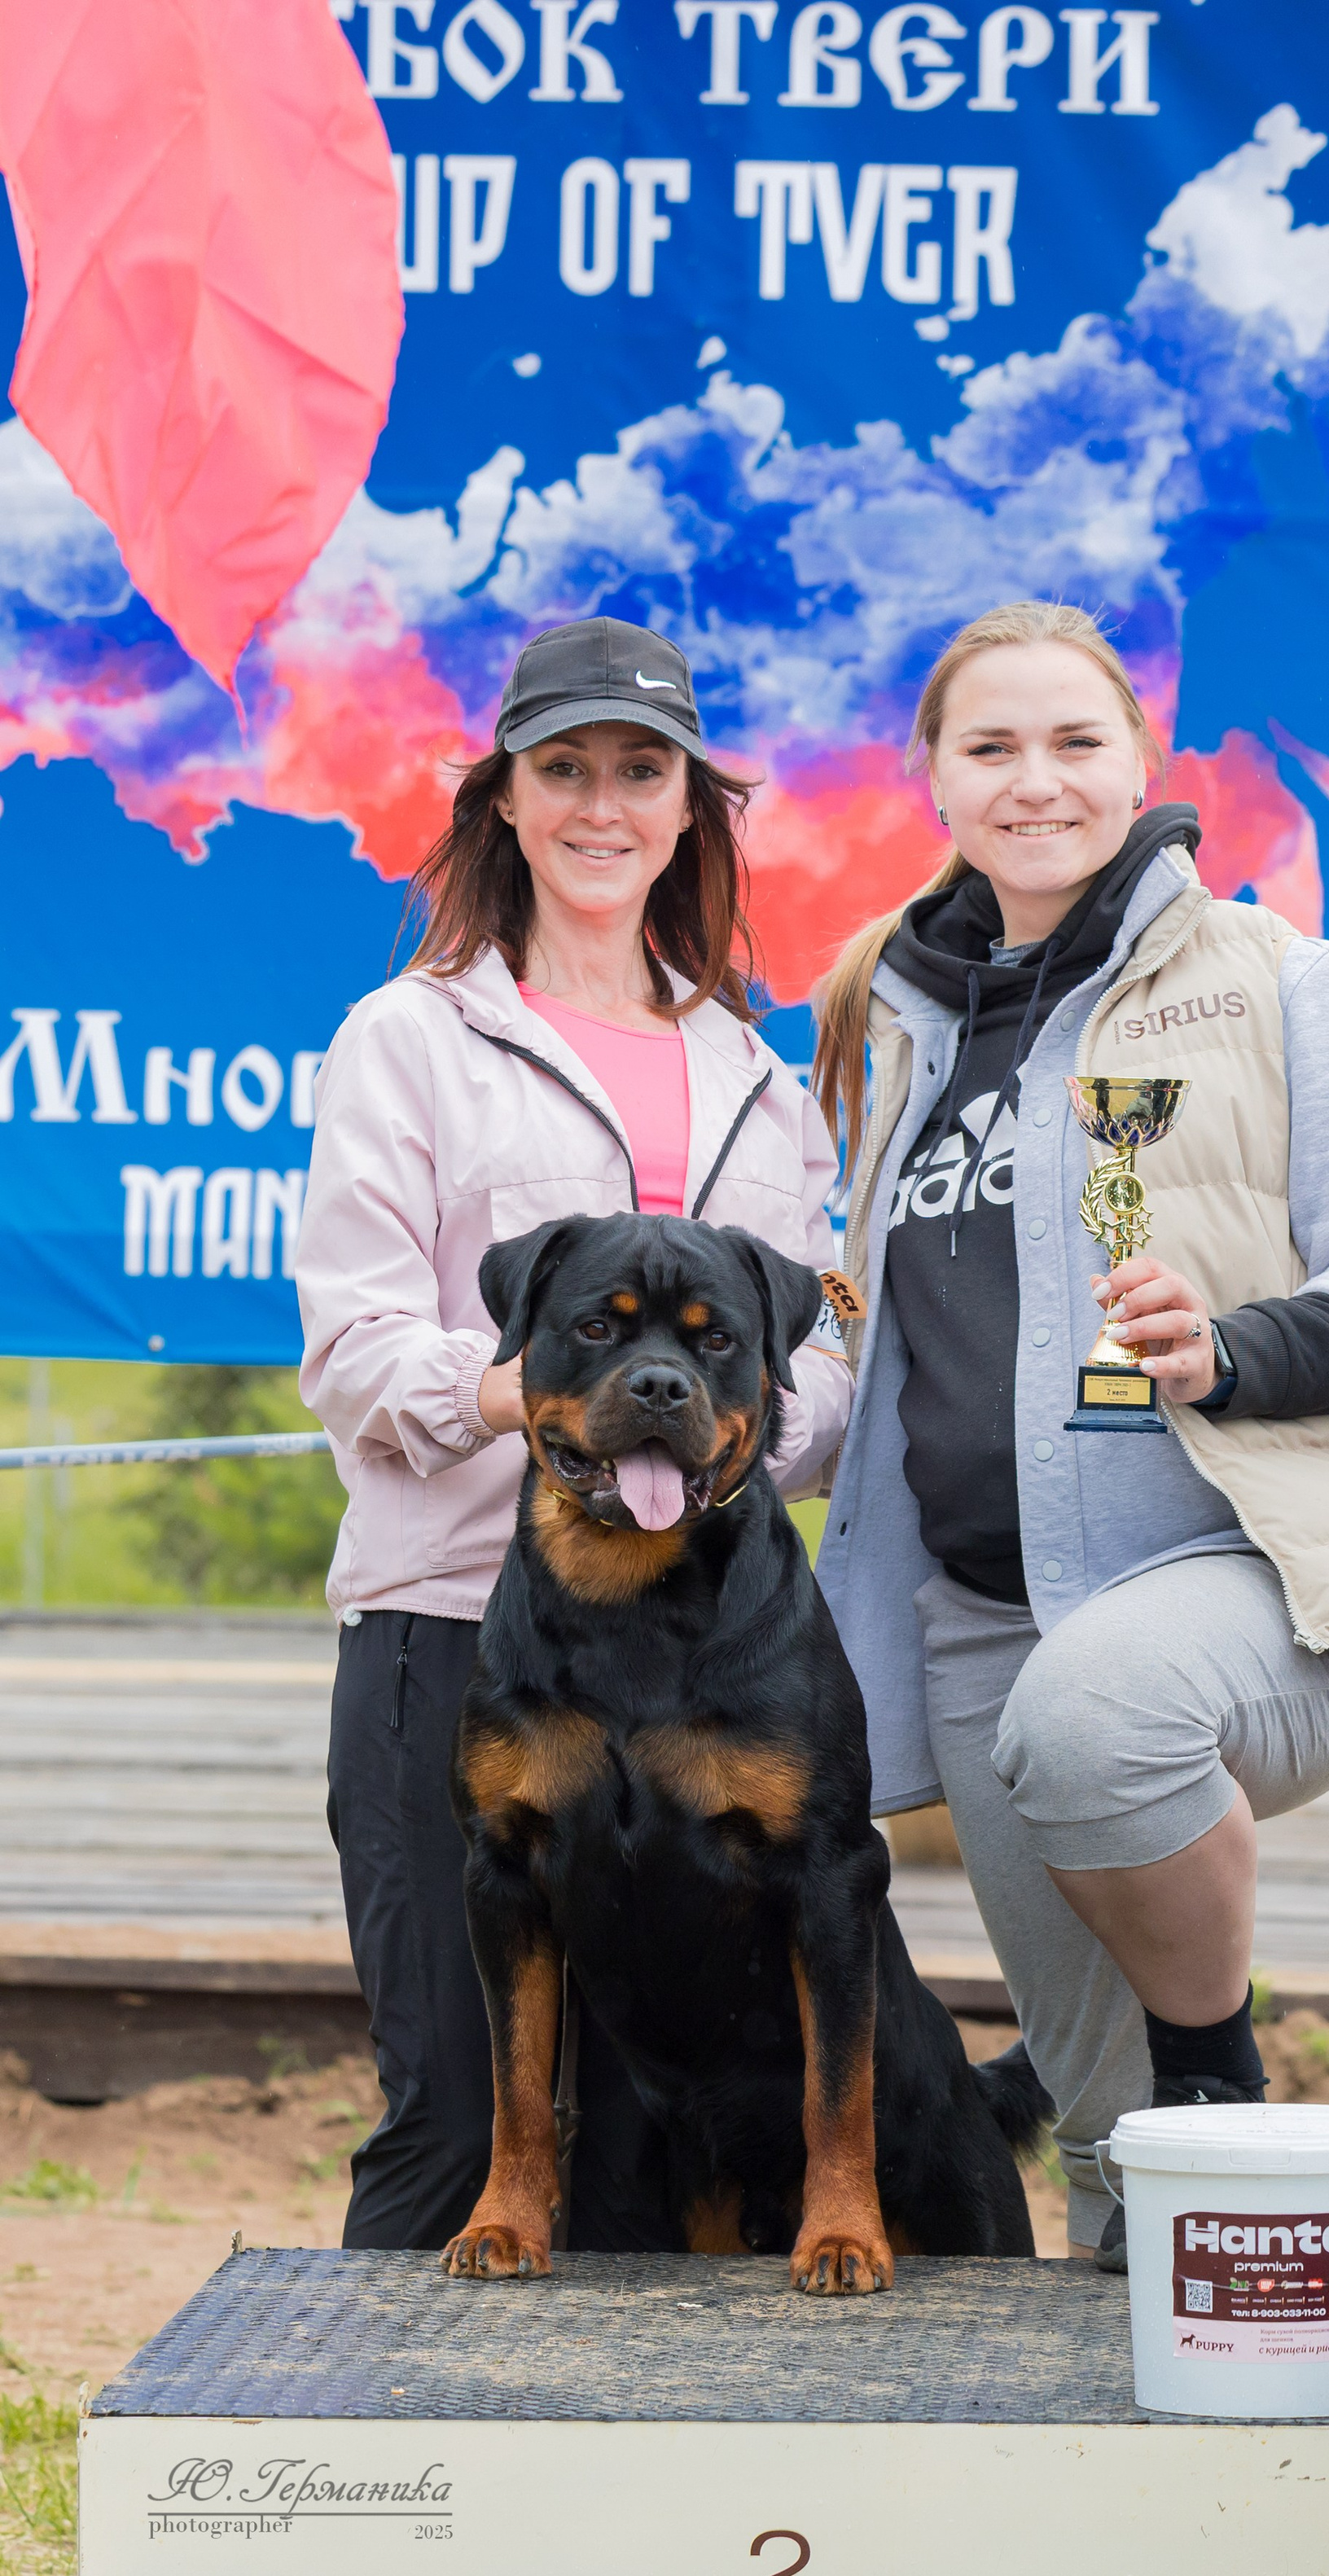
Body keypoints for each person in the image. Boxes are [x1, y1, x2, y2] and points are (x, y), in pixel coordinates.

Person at [809, 599, 1329, 2265]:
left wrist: (1231, 1349)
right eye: (991, 748)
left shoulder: (1279, 977)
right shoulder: (880, 1021)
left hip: (1256, 1573)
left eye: (1071, 741)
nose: (1035, 781)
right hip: (973, 1626)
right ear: (933, 782)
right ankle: (1148, 2417)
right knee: (1111, 2164)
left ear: (1138, 760)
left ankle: (1219, 2064)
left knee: (1094, 1721)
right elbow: (863, 1350)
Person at [299, 619, 852, 2251]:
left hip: (705, 1662)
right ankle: (372, 2491)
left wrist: (720, 1426)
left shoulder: (762, 1075)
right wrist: (565, 1407)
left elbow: (804, 1388)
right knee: (455, 2132)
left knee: (638, 2165)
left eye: (641, 770)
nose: (602, 804)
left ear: (692, 807)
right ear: (504, 802)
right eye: (563, 770)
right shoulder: (410, 1039)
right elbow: (353, 1350)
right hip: (452, 1631)